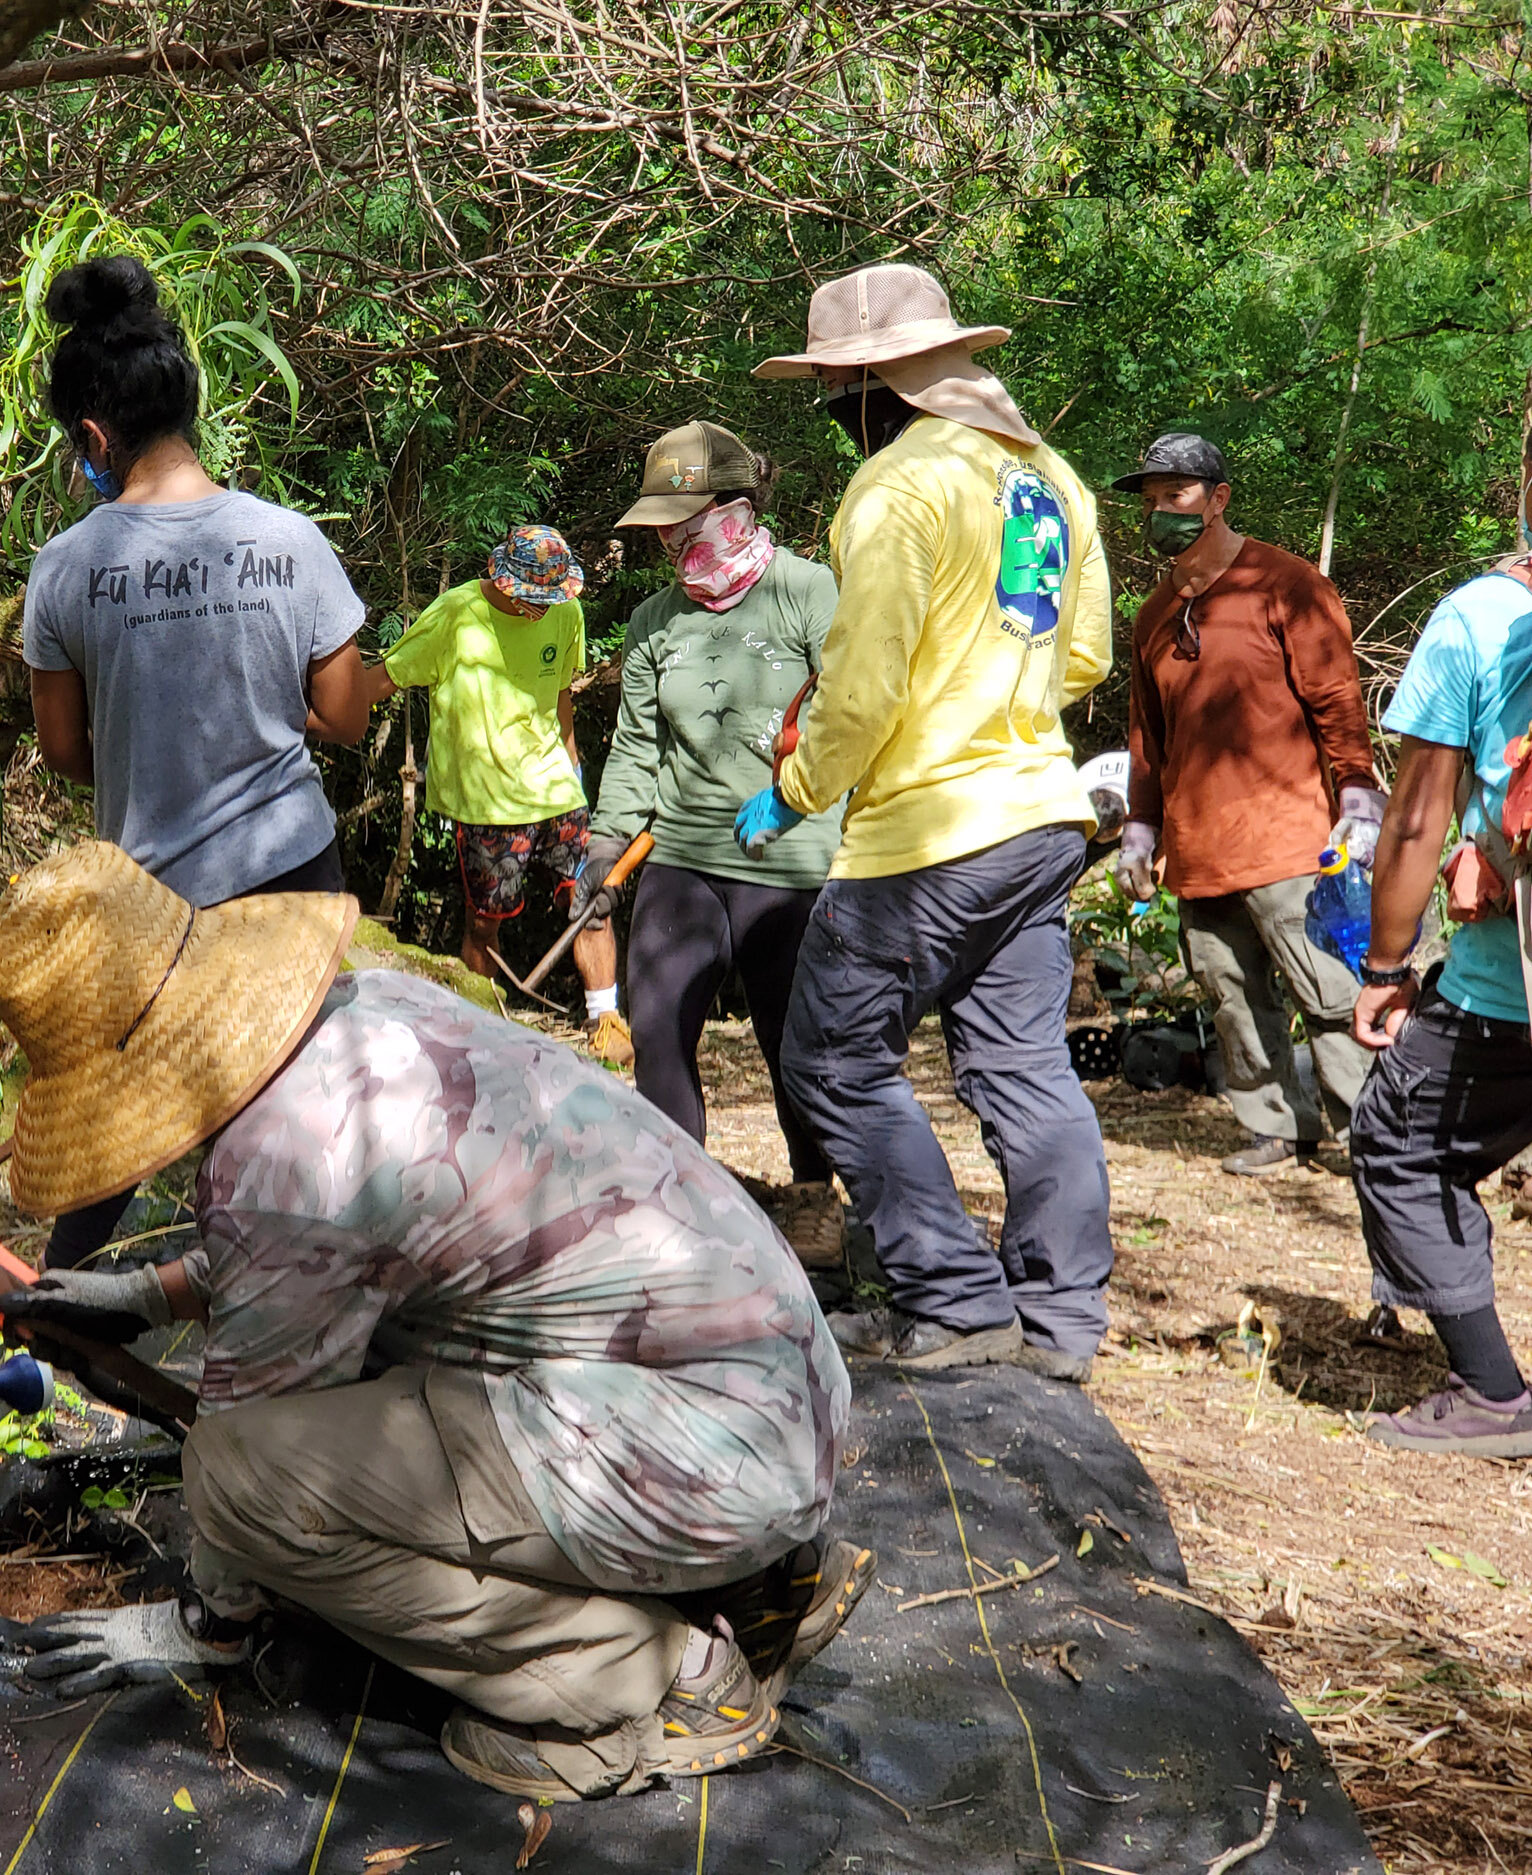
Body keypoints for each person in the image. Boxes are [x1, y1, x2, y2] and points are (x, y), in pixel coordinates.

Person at [0, 842, 865, 1802]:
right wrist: (148, 1297)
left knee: (233, 1480)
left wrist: (200, 1624)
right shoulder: (369, 1016)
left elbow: (247, 1429)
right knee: (373, 1380)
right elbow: (354, 1239)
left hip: (702, 1448)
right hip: (772, 1391)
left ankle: (657, 1676)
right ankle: (762, 1584)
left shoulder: (281, 1167)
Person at [741, 263, 1115, 1383]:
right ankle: (1058, 1323)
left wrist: (800, 788)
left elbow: (861, 689)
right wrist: (992, 699)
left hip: (928, 833)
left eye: (834, 396)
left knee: (833, 1059)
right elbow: (1084, 652)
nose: (834, 420)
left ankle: (954, 1302)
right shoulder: (1046, 475)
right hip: (1040, 813)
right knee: (1024, 1068)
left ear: (873, 387)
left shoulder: (898, 488)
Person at [21, 254, 371, 1270]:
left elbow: (60, 750)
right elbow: (342, 719)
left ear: (91, 437)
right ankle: (323, 1310)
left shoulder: (67, 568)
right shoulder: (291, 541)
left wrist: (148, 749)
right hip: (293, 883)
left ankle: (55, 1312)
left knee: (121, 1124)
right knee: (306, 1122)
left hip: (152, 902)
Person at [1113, 432, 1383, 1176]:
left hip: (1290, 838)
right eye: (1151, 500)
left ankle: (1366, 1133)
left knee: (1327, 991)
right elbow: (1148, 739)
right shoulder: (1154, 614)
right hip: (1200, 850)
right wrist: (1142, 831)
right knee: (1230, 993)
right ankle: (1275, 1127)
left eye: (1177, 496)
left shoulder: (1284, 584)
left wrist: (1357, 798)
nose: (1161, 512)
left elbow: (1336, 701)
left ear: (1219, 498)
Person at [588, 419, 841, 1167]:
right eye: (659, 530)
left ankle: (814, 1205)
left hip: (791, 859)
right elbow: (637, 747)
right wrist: (605, 844)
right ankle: (679, 1204)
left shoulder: (806, 590)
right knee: (659, 1036)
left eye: (681, 525)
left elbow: (851, 710)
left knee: (796, 1048)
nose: (670, 545)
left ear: (734, 511)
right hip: (684, 856)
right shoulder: (653, 622)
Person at [1343, 552, 1532, 1458]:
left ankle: (1492, 1393)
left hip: (1512, 988)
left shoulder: (1480, 619)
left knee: (1401, 1139)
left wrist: (1388, 963)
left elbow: (1416, 820)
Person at [360, 524, 623, 1054]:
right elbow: (384, 678)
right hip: (487, 802)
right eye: (530, 598)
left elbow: (561, 696)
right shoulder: (455, 615)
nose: (539, 609)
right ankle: (480, 1029)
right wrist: (315, 709)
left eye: (549, 599)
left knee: (593, 900)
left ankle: (607, 1021)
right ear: (498, 578)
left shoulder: (564, 612)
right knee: (485, 921)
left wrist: (574, 772)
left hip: (555, 789)